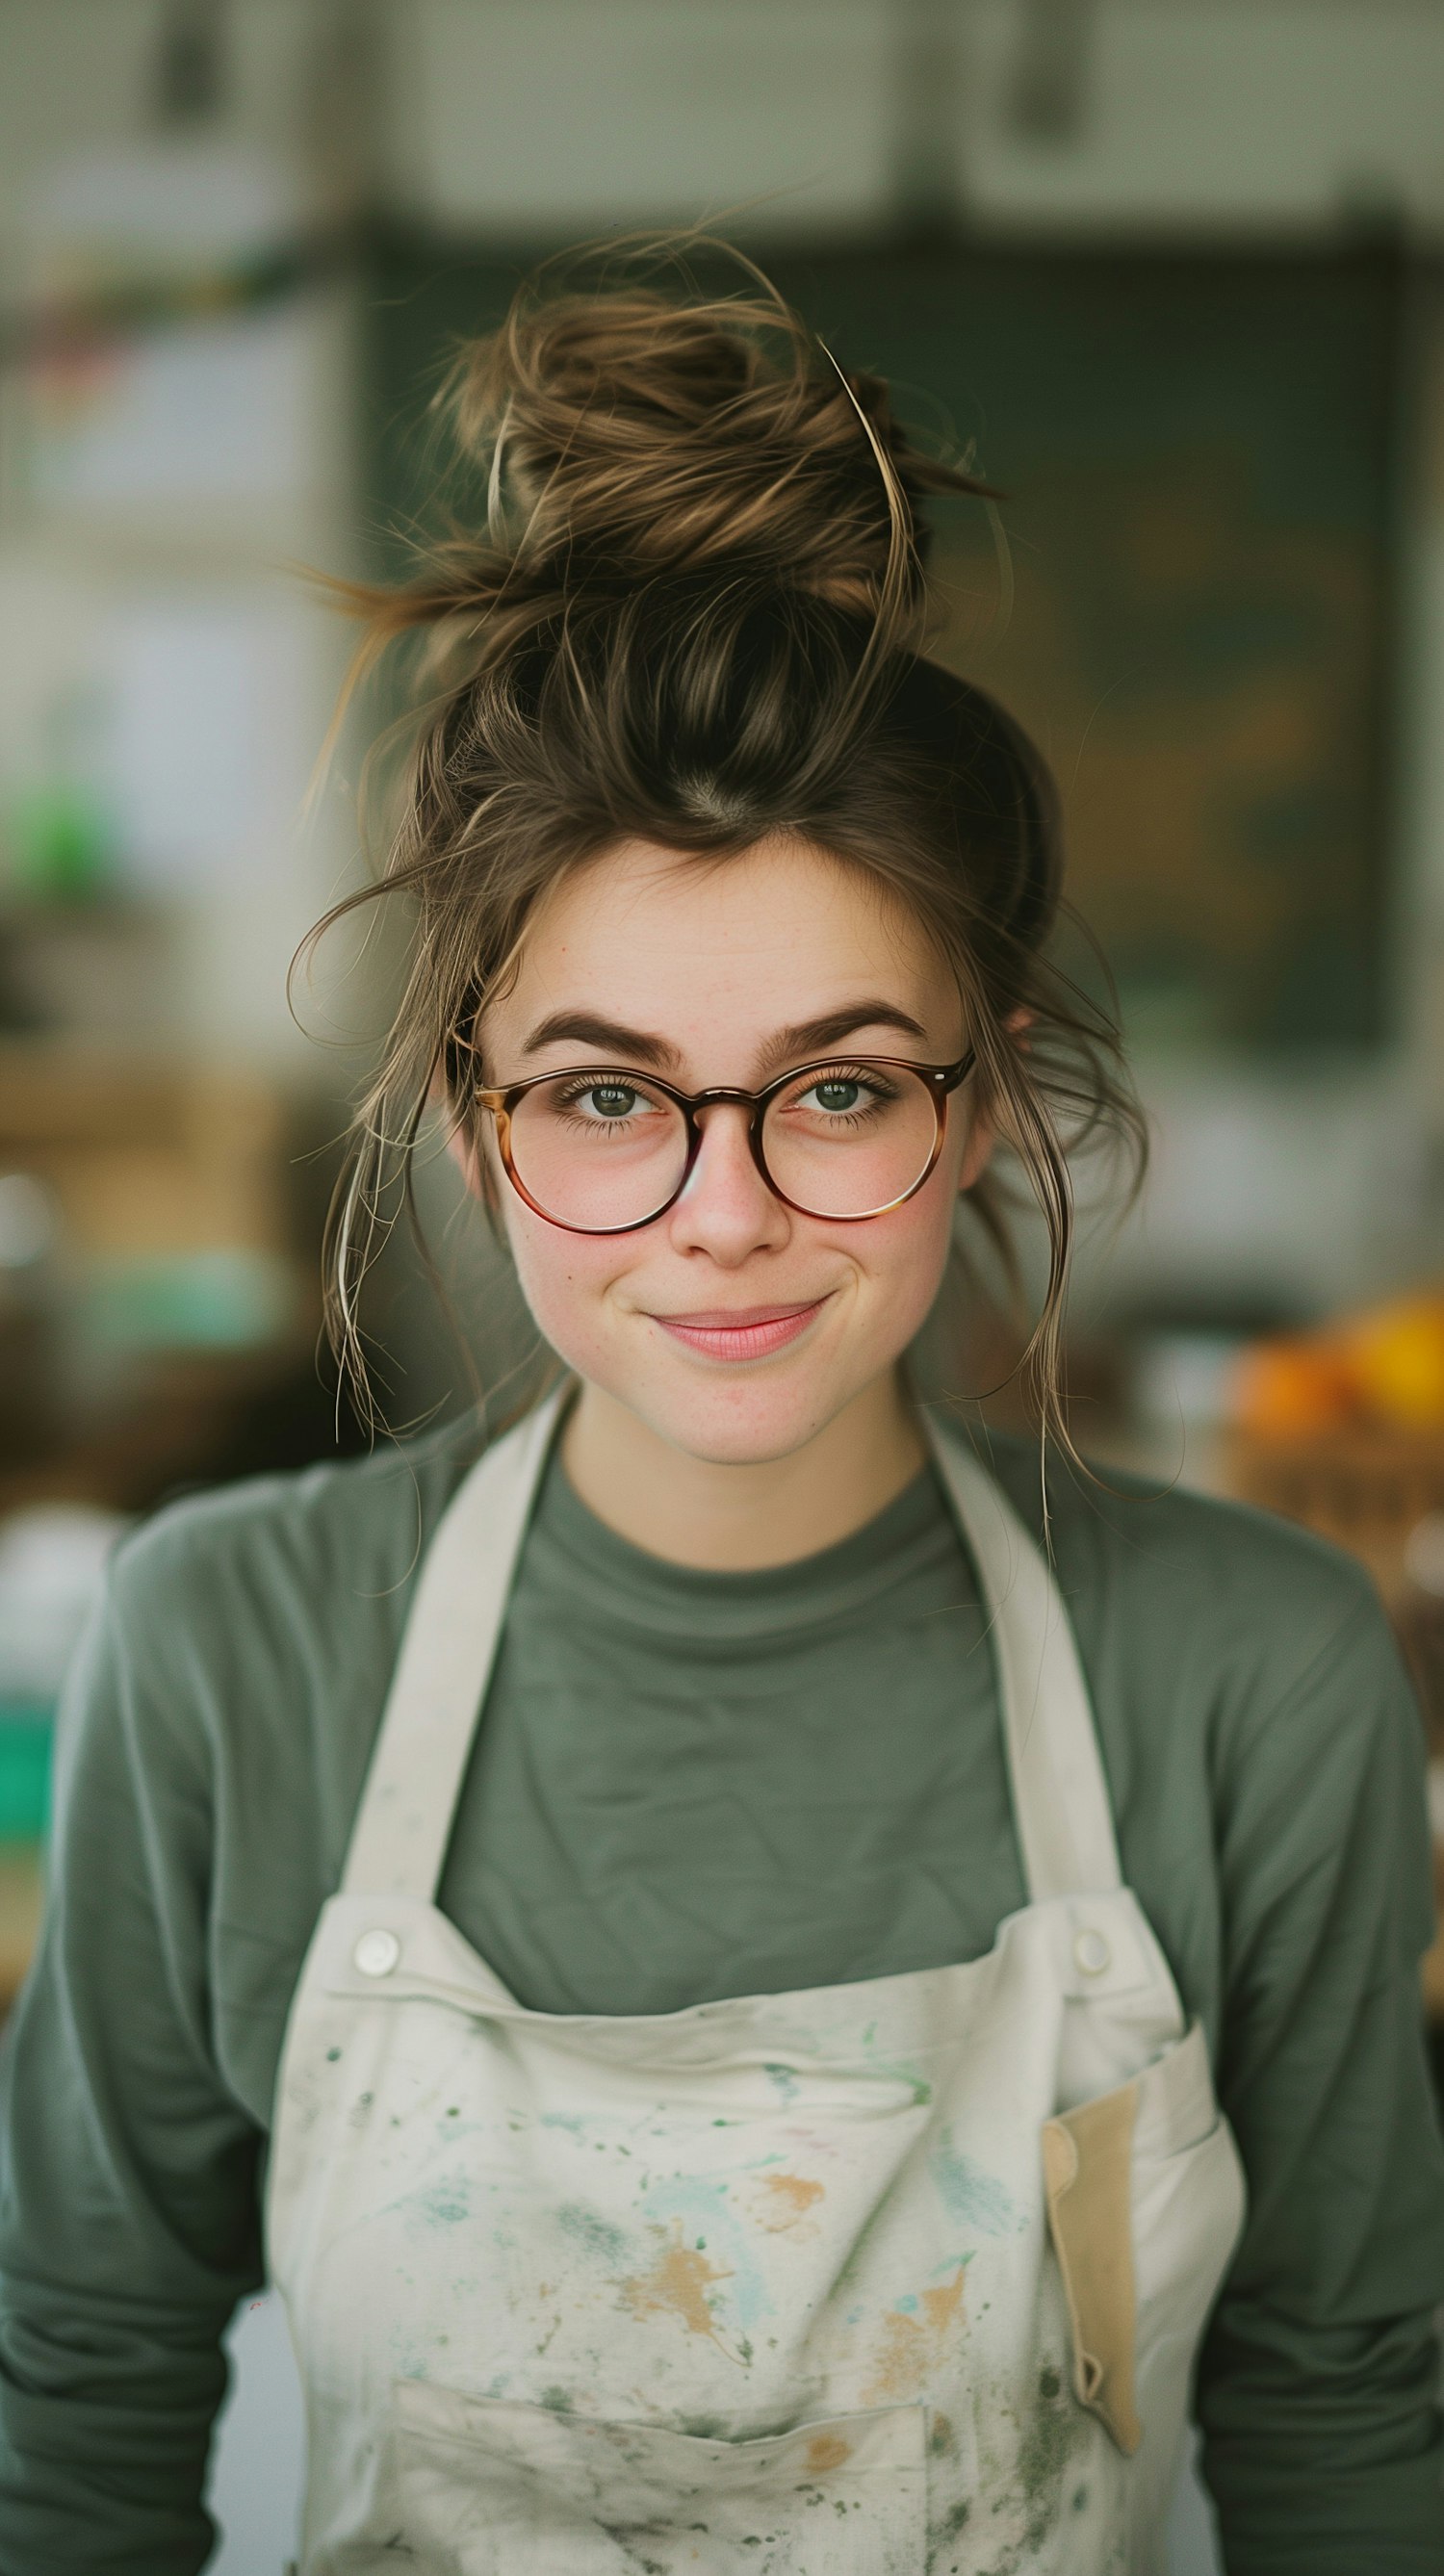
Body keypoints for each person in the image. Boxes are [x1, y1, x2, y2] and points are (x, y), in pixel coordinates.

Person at [1, 245, 1441, 2576]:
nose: (724, 1216)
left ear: (983, 1110)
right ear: (471, 1119)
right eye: (605, 1097)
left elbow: (1344, 2415)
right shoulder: (229, 1655)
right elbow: (75, 2393)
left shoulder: (1250, 1684)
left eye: (838, 1088)